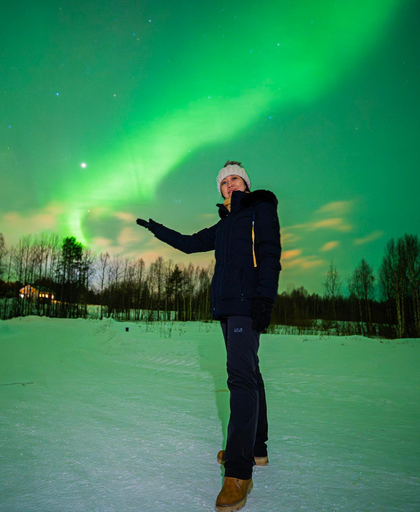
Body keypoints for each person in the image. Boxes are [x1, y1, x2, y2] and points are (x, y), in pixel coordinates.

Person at [136, 161, 281, 511]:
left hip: (247, 303)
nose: (229, 184)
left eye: (235, 179)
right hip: (228, 305)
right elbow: (188, 244)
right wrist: (157, 229)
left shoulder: (260, 208)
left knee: (240, 379)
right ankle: (256, 448)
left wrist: (265, 298)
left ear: (246, 184)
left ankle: (238, 471)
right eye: (224, 182)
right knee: (250, 373)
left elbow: (270, 252)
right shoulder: (225, 223)